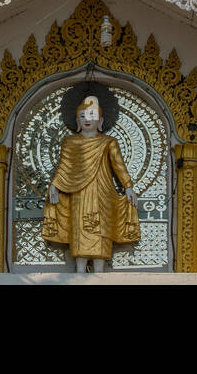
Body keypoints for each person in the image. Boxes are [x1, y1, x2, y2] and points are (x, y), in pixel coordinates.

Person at [42, 94, 139, 272]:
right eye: (83, 116)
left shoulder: (108, 142)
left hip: (102, 190)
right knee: (80, 226)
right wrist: (55, 184)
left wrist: (128, 186)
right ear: (77, 120)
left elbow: (119, 166)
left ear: (100, 120)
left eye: (92, 116)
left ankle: (99, 270)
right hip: (78, 191)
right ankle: (79, 269)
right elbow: (64, 166)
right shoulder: (70, 142)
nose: (88, 120)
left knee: (101, 226)